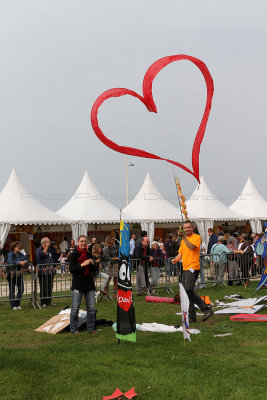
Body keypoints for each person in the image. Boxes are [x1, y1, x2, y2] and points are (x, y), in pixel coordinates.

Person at [171, 221, 213, 323]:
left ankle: (206, 309)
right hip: (185, 268)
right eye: (185, 228)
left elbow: (191, 247)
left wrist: (183, 237)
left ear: (192, 228)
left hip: (193, 267)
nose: (187, 229)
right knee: (186, 292)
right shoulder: (183, 240)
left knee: (188, 290)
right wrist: (175, 260)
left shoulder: (196, 237)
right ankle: (192, 316)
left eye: (188, 227)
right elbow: (181, 253)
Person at [69, 235, 97, 334]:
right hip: (77, 284)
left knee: (91, 308)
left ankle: (90, 328)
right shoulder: (73, 255)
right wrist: (82, 264)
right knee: (75, 308)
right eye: (81, 241)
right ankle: (74, 329)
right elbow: (71, 269)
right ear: (77, 242)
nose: (83, 243)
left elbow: (95, 271)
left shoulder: (89, 255)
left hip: (89, 284)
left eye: (85, 241)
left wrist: (93, 264)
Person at [36, 237, 60, 307]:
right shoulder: (39, 249)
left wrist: (56, 248)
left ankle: (49, 302)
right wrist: (46, 247)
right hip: (42, 271)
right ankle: (43, 302)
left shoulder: (50, 249)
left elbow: (58, 254)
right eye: (48, 242)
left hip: (50, 271)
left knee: (50, 286)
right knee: (44, 287)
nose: (49, 243)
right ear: (43, 243)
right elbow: (41, 256)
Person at [7, 241, 28, 310]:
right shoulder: (10, 254)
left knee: (21, 289)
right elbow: (11, 262)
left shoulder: (21, 254)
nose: (19, 247)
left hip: (19, 274)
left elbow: (26, 260)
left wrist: (24, 262)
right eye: (17, 246)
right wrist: (19, 262)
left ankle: (17, 303)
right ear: (14, 247)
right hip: (11, 274)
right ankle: (13, 305)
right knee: (12, 290)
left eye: (20, 246)